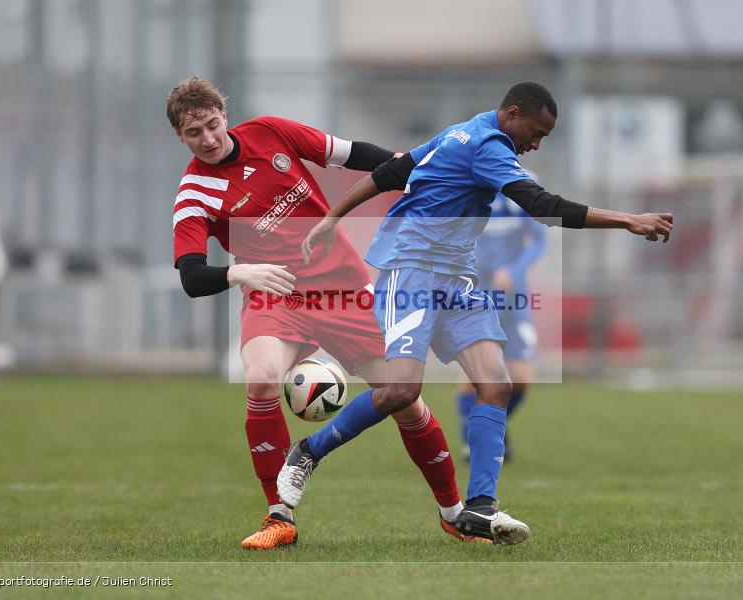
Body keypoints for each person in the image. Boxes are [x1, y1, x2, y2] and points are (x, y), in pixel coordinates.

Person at [279, 81, 673, 545]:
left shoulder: (460, 132)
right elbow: (543, 207)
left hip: (456, 277)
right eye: (536, 131)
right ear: (512, 113)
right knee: (401, 390)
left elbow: (388, 172)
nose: (536, 143)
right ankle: (308, 451)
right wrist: (627, 219)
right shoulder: (488, 145)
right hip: (412, 270)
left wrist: (331, 219)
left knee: (496, 385)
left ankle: (480, 508)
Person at [166, 76, 464, 550]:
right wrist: (240, 274)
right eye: (193, 134)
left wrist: (411, 167)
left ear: (224, 115)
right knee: (262, 377)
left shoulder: (271, 133)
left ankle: (454, 514)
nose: (207, 139)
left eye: (212, 125)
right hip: (275, 293)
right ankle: (278, 517)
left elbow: (352, 154)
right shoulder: (193, 193)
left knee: (404, 398)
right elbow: (190, 276)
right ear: (180, 137)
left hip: (341, 285)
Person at [455, 188, 546, 463]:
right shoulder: (468, 186)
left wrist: (514, 271)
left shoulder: (524, 185)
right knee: (475, 376)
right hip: (476, 294)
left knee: (520, 378)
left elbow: (540, 240)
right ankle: (474, 441)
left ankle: (490, 429)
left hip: (513, 296)